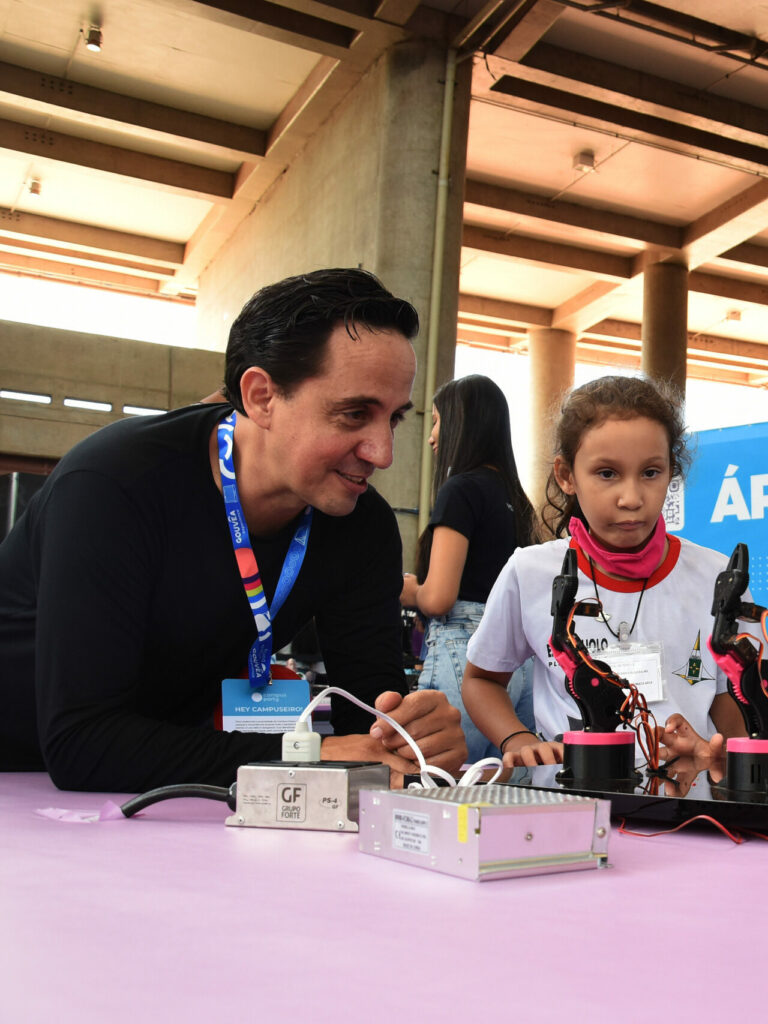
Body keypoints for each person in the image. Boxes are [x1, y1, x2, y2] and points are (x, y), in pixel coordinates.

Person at [0, 268, 466, 791]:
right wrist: (308, 757)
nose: (382, 453)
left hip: (161, 787)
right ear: (262, 396)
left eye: (395, 418)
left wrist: (412, 738)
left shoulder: (361, 525)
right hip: (21, 782)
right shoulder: (114, 484)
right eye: (354, 414)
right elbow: (81, 743)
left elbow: (370, 720)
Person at [462, 375, 748, 767]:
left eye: (651, 472)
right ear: (566, 476)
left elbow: (725, 697)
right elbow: (481, 679)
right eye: (607, 473)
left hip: (688, 805)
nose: (631, 498)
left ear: (671, 472)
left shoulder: (717, 576)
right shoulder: (528, 572)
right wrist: (517, 739)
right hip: (571, 805)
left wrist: (722, 758)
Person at [400, 374, 537, 762]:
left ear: (463, 424)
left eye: (438, 421)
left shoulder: (460, 489)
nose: (431, 437)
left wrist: (404, 588)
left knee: (442, 784)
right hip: (519, 661)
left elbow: (439, 597)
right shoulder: (517, 500)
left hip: (463, 653)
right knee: (511, 792)